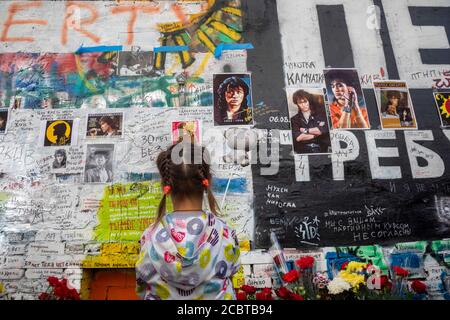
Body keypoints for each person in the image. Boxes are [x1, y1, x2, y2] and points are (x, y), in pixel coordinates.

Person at [135, 142, 241, 300]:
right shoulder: (225, 234)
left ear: (165, 184)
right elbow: (231, 278)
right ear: (207, 181)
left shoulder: (149, 236)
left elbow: (142, 288)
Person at [290, 90, 330, 154]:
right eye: (300, 103)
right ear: (297, 104)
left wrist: (305, 130)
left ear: (309, 101)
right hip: (302, 150)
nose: (303, 105)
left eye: (305, 101)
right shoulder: (294, 119)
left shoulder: (321, 115)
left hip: (321, 149)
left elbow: (321, 131)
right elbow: (298, 138)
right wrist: (316, 135)